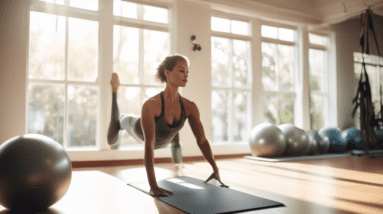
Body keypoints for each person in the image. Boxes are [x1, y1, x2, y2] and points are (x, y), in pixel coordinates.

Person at [107, 54, 228, 197]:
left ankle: (177, 161)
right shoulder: (152, 105)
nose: (186, 75)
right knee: (113, 137)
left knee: (175, 131)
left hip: (164, 138)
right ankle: (114, 92)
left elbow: (202, 140)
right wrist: (153, 185)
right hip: (135, 128)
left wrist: (215, 168)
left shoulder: (190, 107)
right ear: (168, 73)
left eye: (187, 71)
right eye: (181, 70)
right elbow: (148, 145)